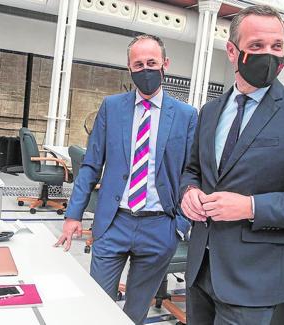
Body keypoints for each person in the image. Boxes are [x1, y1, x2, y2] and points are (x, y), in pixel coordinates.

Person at [180, 5, 284, 325]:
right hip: (200, 270)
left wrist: (251, 206)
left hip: (253, 283)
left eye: (276, 46)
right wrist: (188, 191)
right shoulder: (210, 112)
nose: (269, 54)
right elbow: (192, 169)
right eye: (256, 46)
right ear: (231, 50)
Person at [55, 34, 198, 324]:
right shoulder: (111, 107)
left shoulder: (186, 115)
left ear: (165, 64)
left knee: (135, 313)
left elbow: (191, 173)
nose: (145, 69)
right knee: (97, 306)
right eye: (138, 64)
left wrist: (180, 226)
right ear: (129, 68)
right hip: (113, 223)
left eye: (152, 63)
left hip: (160, 227)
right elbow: (91, 165)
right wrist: (73, 216)